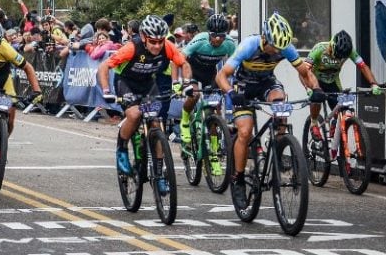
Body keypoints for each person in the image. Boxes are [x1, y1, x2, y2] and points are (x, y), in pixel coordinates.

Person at [214, 12, 324, 208]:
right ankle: (238, 179)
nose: (277, 52)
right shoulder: (249, 45)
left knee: (281, 105)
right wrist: (231, 92)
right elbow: (222, 76)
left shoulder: (285, 48)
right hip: (243, 86)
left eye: (281, 49)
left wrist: (315, 89)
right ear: (265, 38)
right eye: (274, 47)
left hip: (266, 82)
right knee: (245, 131)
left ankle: (279, 144)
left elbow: (305, 73)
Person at [98, 15, 193, 194]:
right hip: (126, 83)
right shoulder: (131, 48)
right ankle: (122, 149)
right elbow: (104, 67)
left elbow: (184, 63)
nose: (157, 46)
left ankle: (158, 174)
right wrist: (106, 91)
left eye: (160, 41)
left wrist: (187, 83)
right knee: (134, 115)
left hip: (148, 84)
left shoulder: (168, 46)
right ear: (143, 37)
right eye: (152, 42)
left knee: (156, 123)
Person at [179, 14, 237, 175]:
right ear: (208, 33)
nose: (217, 39)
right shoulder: (200, 39)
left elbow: (237, 63)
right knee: (194, 95)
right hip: (193, 72)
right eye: (214, 35)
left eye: (221, 36)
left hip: (211, 75)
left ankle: (213, 154)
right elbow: (181, 58)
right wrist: (182, 81)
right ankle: (184, 120)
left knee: (213, 113)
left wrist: (238, 82)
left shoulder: (229, 44)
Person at [304, 30, 382, 140]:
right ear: (332, 45)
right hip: (316, 80)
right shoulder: (319, 49)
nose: (337, 59)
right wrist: (308, 88)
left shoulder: (350, 51)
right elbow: (304, 71)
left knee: (342, 108)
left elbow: (363, 66)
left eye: (341, 57)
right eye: (336, 55)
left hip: (332, 81)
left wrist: (374, 84)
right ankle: (314, 123)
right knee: (317, 99)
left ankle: (335, 123)